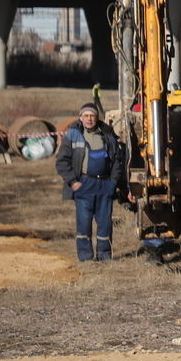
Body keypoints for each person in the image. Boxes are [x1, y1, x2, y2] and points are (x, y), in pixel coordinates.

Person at [55, 103, 128, 262]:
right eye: (86, 116)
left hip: (104, 185)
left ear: (97, 117)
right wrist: (73, 182)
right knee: (84, 223)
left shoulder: (108, 135)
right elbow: (62, 162)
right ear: (80, 118)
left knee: (105, 223)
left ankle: (104, 256)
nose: (89, 119)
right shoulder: (73, 135)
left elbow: (117, 161)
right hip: (84, 184)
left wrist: (113, 183)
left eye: (92, 116)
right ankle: (86, 257)